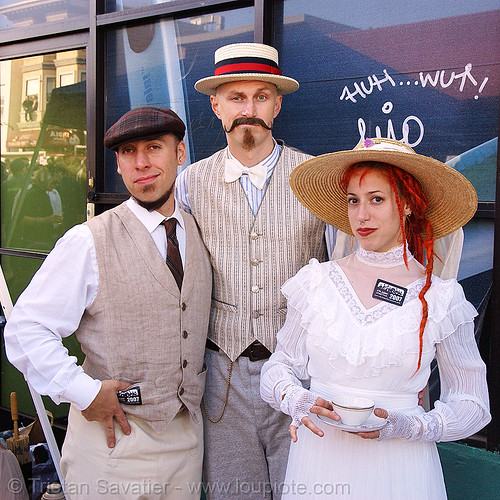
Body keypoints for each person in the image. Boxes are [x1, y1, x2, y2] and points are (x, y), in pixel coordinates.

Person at [260, 137, 491, 499]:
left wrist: (411, 426)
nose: (361, 216)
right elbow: (278, 367)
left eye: (377, 199)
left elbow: (473, 405)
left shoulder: (441, 299)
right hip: (320, 458)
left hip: (398, 468)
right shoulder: (315, 282)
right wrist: (296, 399)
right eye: (353, 200)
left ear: (409, 205)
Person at [5, 106, 212, 500]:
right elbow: (25, 329)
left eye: (154, 147)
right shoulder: (88, 241)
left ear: (180, 153)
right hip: (114, 444)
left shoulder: (197, 231)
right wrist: (83, 391)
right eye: (128, 153)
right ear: (118, 165)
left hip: (186, 440)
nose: (142, 163)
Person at [175, 42, 335, 498]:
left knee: (304, 489)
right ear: (216, 104)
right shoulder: (190, 181)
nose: (249, 109)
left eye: (261, 96)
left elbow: (345, 276)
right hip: (222, 374)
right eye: (236, 97)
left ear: (277, 104)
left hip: (301, 373)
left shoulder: (317, 178)